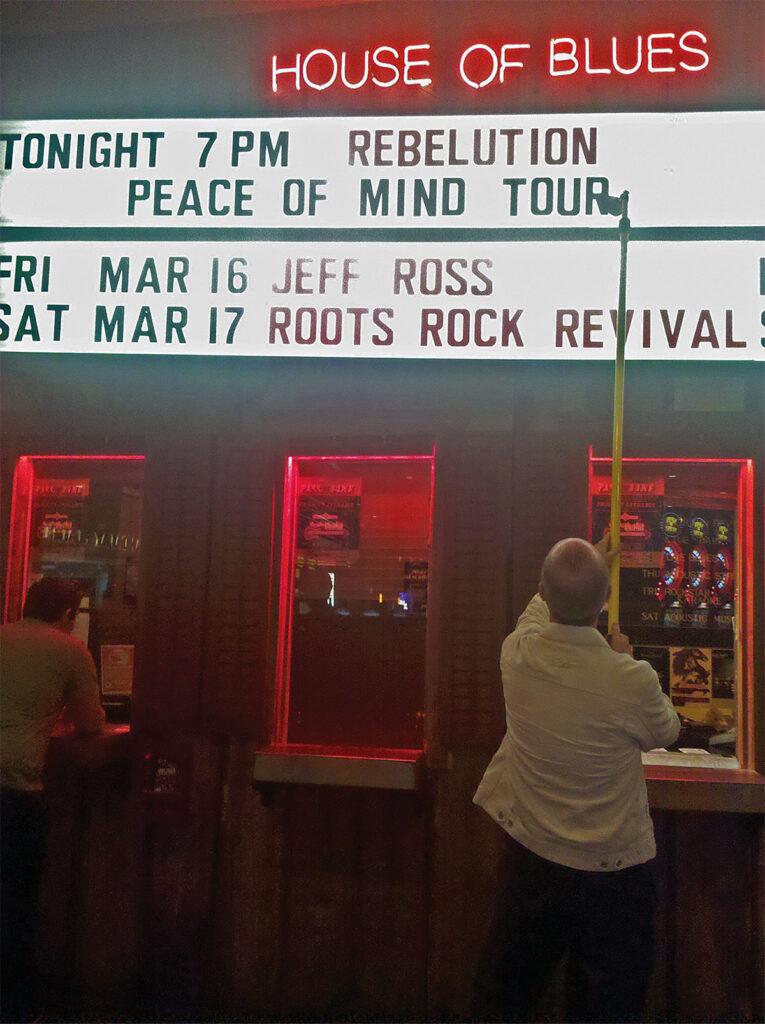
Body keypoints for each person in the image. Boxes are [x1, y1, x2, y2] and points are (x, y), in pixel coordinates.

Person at [473, 537, 680, 1023]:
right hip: (614, 871)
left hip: (532, 859)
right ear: (606, 602)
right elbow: (665, 730)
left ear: (542, 590)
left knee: (508, 995)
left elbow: (535, 610)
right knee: (607, 1004)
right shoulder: (630, 679)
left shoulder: (517, 655)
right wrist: (625, 660)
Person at [1, 578, 105, 1023]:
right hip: (15, 787)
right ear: (68, 615)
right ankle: (17, 1007)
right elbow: (92, 723)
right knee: (16, 902)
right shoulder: (69, 650)